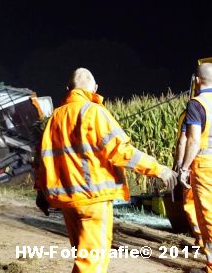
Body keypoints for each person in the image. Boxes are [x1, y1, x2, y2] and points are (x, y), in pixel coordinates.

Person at [34, 68, 178, 273]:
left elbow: (40, 160)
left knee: (82, 257)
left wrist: (41, 192)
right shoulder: (94, 112)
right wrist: (159, 169)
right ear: (95, 88)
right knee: (92, 263)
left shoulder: (54, 118)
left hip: (67, 201)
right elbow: (121, 151)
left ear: (68, 89)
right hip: (94, 199)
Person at [177, 63, 212, 273]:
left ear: (197, 80)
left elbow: (192, 141)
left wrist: (184, 168)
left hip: (206, 167)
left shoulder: (197, 104)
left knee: (208, 215)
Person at [174, 110, 203, 247]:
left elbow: (184, 140)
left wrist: (180, 165)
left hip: (196, 165)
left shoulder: (192, 110)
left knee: (191, 204)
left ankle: (201, 241)